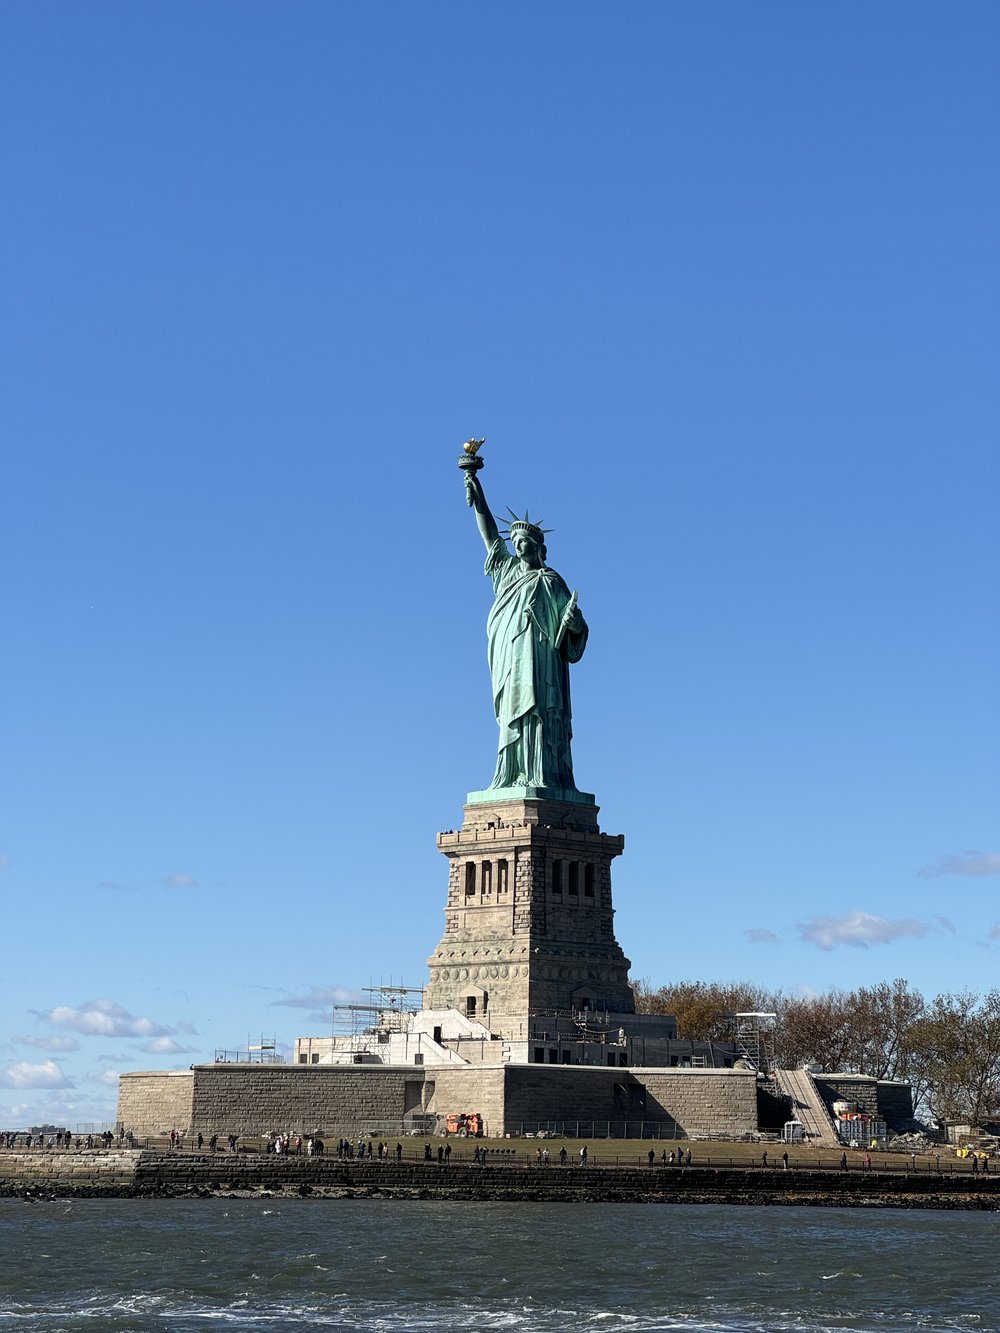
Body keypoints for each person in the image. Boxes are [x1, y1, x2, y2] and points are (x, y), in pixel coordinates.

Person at [465, 468, 588, 792]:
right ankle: (512, 773)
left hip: (542, 659)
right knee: (512, 714)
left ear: (538, 547)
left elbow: (575, 627)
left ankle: (543, 776)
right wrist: (478, 493)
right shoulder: (505, 572)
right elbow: (489, 534)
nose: (518, 547)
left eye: (524, 543)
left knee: (541, 715)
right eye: (515, 542)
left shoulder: (550, 581)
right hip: (510, 658)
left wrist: (574, 625)